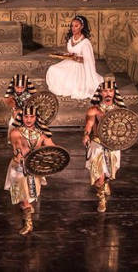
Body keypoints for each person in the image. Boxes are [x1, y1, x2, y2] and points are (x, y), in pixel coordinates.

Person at [6, 104, 56, 236]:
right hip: (19, 167)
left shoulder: (42, 134)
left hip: (35, 168)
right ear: (21, 117)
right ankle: (28, 223)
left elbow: (52, 148)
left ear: (36, 117)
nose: (28, 119)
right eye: (26, 116)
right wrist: (19, 154)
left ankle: (26, 207)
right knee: (24, 197)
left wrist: (54, 157)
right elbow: (17, 145)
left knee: (28, 196)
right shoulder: (16, 132)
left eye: (31, 116)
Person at [83, 79, 124, 213]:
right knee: (98, 175)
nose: (108, 93)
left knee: (109, 173)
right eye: (105, 91)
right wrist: (86, 135)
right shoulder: (94, 110)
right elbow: (89, 125)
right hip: (97, 144)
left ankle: (106, 182)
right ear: (100, 93)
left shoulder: (120, 110)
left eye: (110, 91)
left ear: (114, 93)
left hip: (113, 145)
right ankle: (101, 199)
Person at [46, 15, 102, 100]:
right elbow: (70, 53)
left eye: (76, 26)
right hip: (69, 62)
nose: (73, 28)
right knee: (52, 69)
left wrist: (76, 58)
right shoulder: (71, 39)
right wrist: (65, 56)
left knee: (72, 81)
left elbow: (88, 60)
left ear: (82, 27)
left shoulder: (85, 42)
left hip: (80, 66)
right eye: (72, 26)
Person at [2, 74, 35, 140]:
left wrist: (19, 111)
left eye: (22, 88)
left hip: (26, 114)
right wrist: (14, 107)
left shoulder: (27, 96)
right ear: (13, 86)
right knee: (12, 124)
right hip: (16, 112)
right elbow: (7, 100)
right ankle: (11, 139)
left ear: (26, 87)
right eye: (17, 87)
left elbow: (29, 108)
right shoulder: (13, 94)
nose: (19, 90)